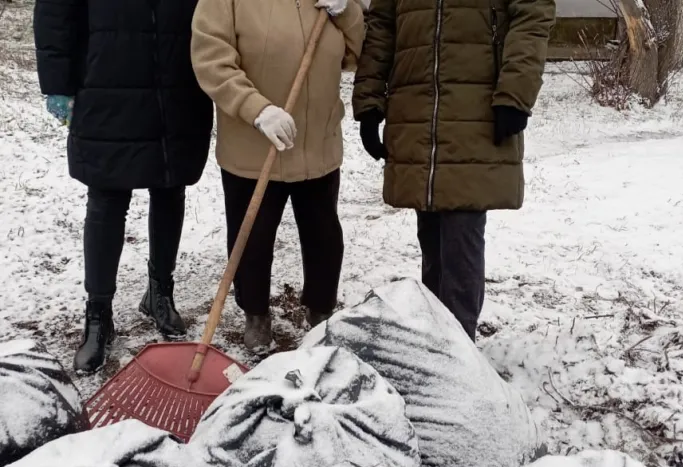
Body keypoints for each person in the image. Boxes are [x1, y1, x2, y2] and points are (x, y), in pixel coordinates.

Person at [352, 0, 555, 341]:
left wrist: (515, 94)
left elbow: (532, 16)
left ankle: (459, 347)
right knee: (431, 234)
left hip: (477, 108)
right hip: (417, 108)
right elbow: (382, 26)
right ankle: (436, 340)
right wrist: (369, 102)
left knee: (461, 235)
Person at [33, 0, 214, 373]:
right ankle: (98, 314)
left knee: (170, 188)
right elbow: (54, 13)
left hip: (177, 83)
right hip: (106, 84)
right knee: (107, 197)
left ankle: (160, 293)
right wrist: (57, 82)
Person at [190, 0, 364, 352]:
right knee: (252, 238)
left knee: (323, 235)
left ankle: (321, 309)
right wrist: (257, 109)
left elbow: (361, 53)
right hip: (253, 145)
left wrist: (347, 12)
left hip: (317, 142)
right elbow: (211, 59)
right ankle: (255, 313)